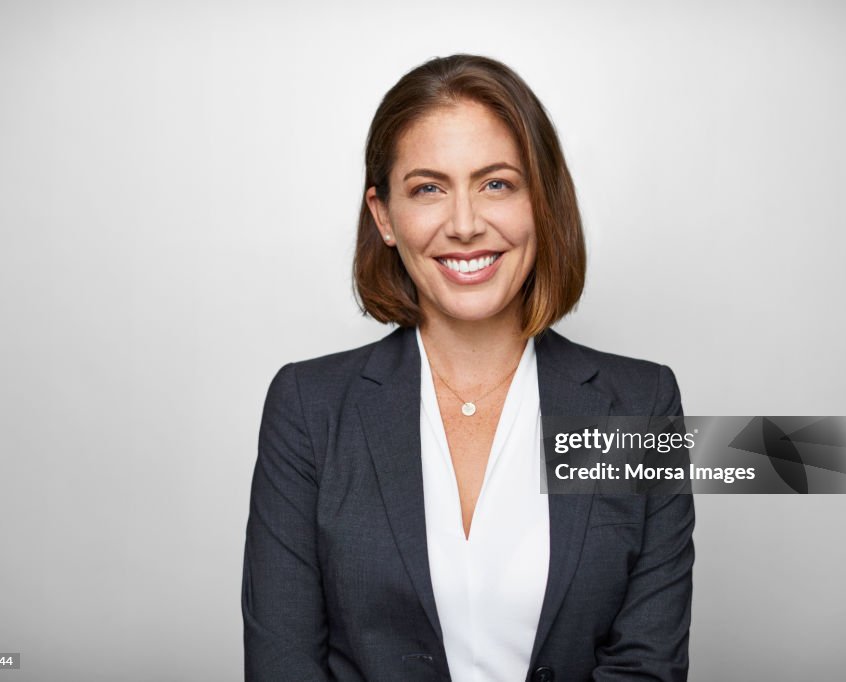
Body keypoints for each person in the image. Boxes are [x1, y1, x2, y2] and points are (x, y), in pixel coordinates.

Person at [242, 54, 695, 682]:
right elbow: (283, 664)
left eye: (497, 184)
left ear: (542, 201)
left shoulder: (641, 403)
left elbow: (646, 666)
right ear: (384, 217)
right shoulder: (307, 407)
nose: (463, 225)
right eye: (428, 188)